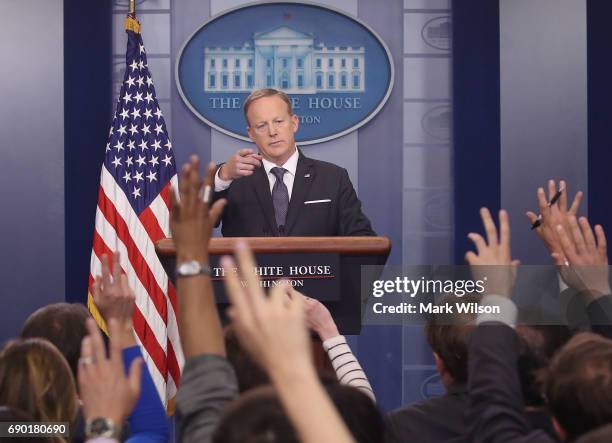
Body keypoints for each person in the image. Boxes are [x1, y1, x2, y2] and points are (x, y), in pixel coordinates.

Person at [213, 88, 375, 237]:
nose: (272, 132)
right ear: (251, 134)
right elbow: (195, 224)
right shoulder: (231, 180)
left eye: (278, 121)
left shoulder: (334, 178)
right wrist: (224, 176)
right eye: (262, 125)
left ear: (294, 123)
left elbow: (363, 239)